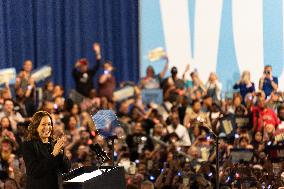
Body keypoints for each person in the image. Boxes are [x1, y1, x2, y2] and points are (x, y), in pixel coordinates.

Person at [22, 111, 70, 189]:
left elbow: (66, 169)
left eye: (49, 124)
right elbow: (34, 171)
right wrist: (53, 154)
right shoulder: (28, 145)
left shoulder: (55, 144)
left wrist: (61, 153)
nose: (47, 127)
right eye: (43, 124)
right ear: (36, 126)